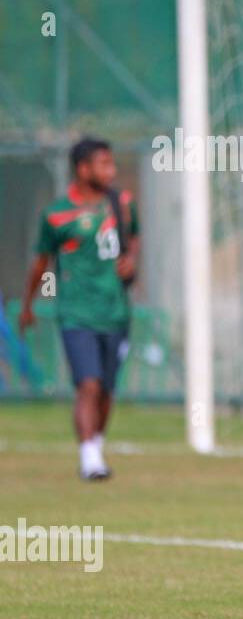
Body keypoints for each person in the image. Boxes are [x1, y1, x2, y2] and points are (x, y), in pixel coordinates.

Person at [20, 138, 140, 480]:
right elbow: (43, 264)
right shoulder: (57, 215)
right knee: (88, 385)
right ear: (82, 169)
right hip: (75, 314)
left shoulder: (122, 204)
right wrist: (34, 303)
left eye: (112, 164)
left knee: (106, 389)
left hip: (116, 311)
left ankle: (95, 447)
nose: (111, 171)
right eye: (104, 164)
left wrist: (131, 259)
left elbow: (133, 238)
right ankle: (89, 459)